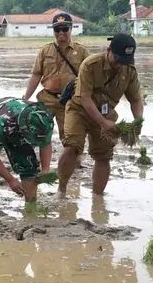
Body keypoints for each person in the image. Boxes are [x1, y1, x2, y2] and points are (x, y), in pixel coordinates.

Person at [57, 34, 143, 194]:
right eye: (117, 59)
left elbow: (136, 100)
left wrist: (138, 122)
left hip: (106, 112)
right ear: (108, 50)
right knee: (72, 146)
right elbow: (85, 98)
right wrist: (103, 123)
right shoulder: (90, 65)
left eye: (124, 61)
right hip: (79, 110)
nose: (119, 65)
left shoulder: (129, 71)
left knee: (103, 155)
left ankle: (98, 200)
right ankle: (62, 189)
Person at [23, 12, 91, 140]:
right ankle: (43, 160)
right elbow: (36, 75)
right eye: (57, 29)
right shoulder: (45, 51)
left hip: (69, 101)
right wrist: (26, 98)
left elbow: (91, 78)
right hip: (47, 100)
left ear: (71, 29)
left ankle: (70, 159)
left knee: (69, 138)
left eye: (65, 29)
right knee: (39, 134)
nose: (61, 32)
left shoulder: (82, 52)